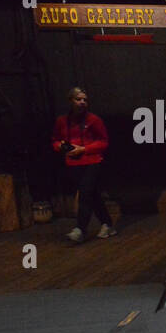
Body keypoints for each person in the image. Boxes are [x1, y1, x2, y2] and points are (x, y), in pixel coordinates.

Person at [51, 87, 114, 241]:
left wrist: (84, 149)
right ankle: (107, 224)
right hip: (73, 162)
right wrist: (60, 147)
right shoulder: (62, 121)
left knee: (85, 193)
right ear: (70, 101)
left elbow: (104, 142)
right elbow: (55, 140)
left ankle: (80, 229)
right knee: (92, 195)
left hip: (92, 160)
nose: (82, 102)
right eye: (78, 99)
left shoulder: (94, 120)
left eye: (85, 100)